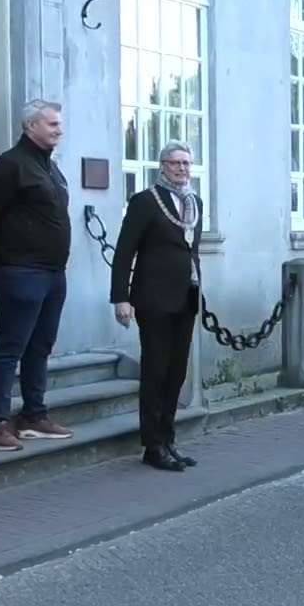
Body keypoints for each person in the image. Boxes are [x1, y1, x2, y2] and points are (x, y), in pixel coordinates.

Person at [0, 99, 72, 453]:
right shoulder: (11, 165)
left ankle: (33, 415)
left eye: (60, 124)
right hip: (20, 272)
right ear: (30, 126)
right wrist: (3, 257)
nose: (59, 130)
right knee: (10, 347)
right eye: (52, 124)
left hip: (52, 274)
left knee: (41, 346)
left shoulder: (50, 168)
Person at [110, 141, 204, 472]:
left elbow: (191, 250)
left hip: (185, 298)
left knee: (177, 372)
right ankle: (152, 445)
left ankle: (168, 438)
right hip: (153, 299)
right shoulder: (145, 202)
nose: (182, 168)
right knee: (156, 371)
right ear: (161, 165)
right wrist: (121, 297)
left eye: (187, 163)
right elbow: (124, 252)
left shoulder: (195, 202)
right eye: (175, 162)